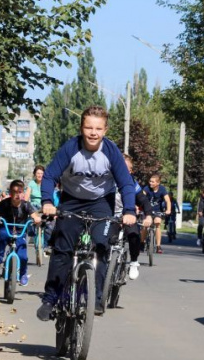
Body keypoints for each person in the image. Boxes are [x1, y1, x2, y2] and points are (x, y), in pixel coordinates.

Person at [36, 106, 137, 321]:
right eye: (88, 127)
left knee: (101, 246)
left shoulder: (111, 152)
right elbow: (50, 176)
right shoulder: (71, 148)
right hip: (71, 201)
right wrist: (47, 202)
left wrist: (129, 211)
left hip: (101, 202)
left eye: (98, 128)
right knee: (63, 249)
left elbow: (126, 184)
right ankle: (51, 298)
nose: (93, 133)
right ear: (81, 128)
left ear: (105, 130)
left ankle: (96, 298)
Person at [0, 180, 42, 287]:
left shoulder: (26, 205)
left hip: (20, 233)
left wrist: (36, 218)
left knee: (22, 256)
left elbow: (34, 214)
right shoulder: (4, 203)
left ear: (23, 193)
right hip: (6, 230)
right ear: (10, 193)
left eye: (20, 192)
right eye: (15, 192)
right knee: (2, 235)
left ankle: (23, 274)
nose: (18, 194)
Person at [109, 154, 153, 281]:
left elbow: (143, 201)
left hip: (128, 216)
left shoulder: (132, 183)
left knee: (133, 235)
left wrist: (148, 216)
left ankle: (134, 261)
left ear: (130, 171)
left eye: (125, 168)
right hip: (110, 216)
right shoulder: (107, 180)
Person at [141, 174, 171, 254]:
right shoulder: (146, 188)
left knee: (158, 223)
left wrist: (168, 210)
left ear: (158, 183)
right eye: (150, 181)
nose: (150, 183)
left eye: (153, 182)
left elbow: (167, 200)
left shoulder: (162, 189)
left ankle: (158, 246)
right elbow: (141, 197)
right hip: (147, 211)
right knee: (145, 225)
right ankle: (142, 242)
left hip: (158, 211)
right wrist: (138, 208)